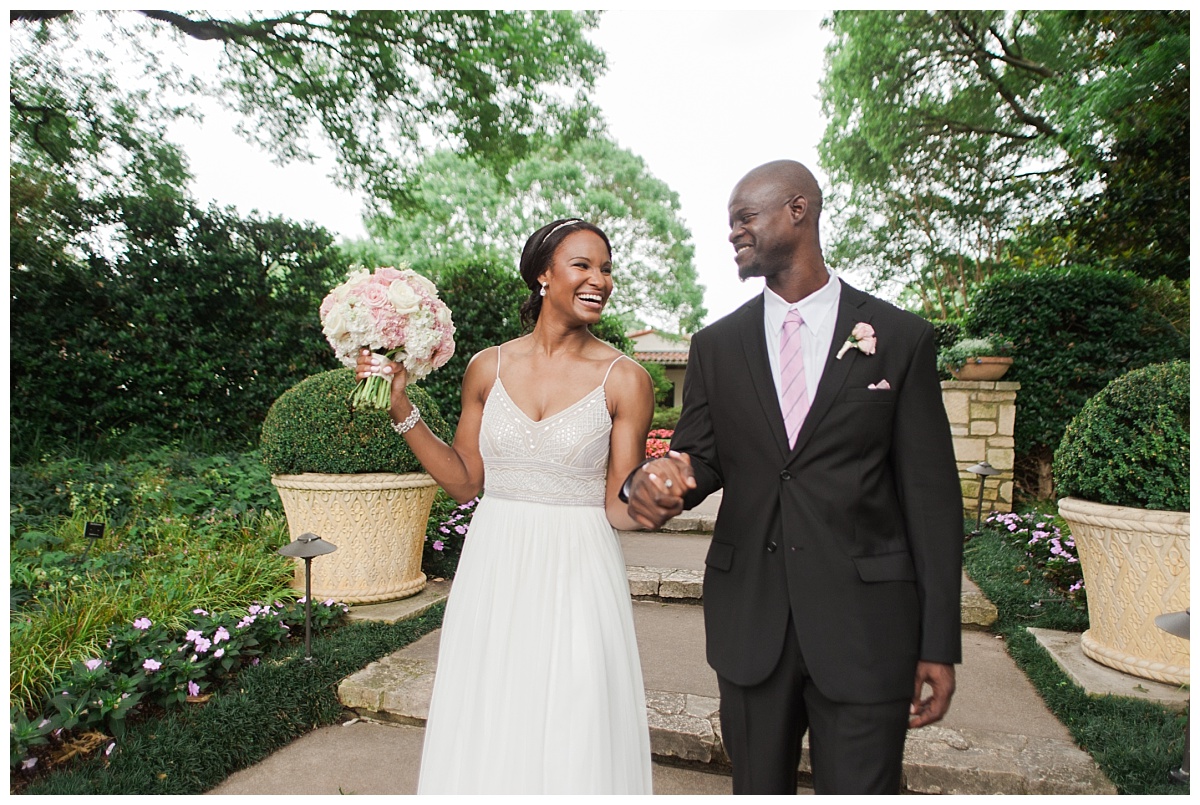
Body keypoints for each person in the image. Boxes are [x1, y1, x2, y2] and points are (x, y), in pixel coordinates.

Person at [624, 160, 963, 795]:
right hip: (752, 624)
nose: (733, 235)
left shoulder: (899, 337)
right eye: (730, 225)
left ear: (798, 211)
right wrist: (662, 481)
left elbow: (932, 499)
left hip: (867, 630)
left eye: (745, 218)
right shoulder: (715, 346)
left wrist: (939, 641)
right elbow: (699, 457)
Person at [358, 219, 655, 794]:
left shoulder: (626, 379)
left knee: (577, 713)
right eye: (583, 265)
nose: (601, 280)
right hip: (496, 563)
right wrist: (400, 406)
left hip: (580, 568)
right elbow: (465, 481)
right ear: (544, 274)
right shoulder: (486, 368)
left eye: (607, 268)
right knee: (493, 702)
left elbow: (620, 506)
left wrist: (653, 498)